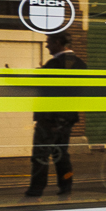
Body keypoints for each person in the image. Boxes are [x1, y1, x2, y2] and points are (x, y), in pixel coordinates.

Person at [27, 30, 86, 196]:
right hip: (68, 117)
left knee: (40, 155)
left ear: (58, 43)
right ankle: (66, 185)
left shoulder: (54, 64)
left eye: (49, 42)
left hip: (50, 117)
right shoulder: (81, 64)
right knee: (61, 154)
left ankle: (36, 189)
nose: (46, 45)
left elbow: (42, 87)